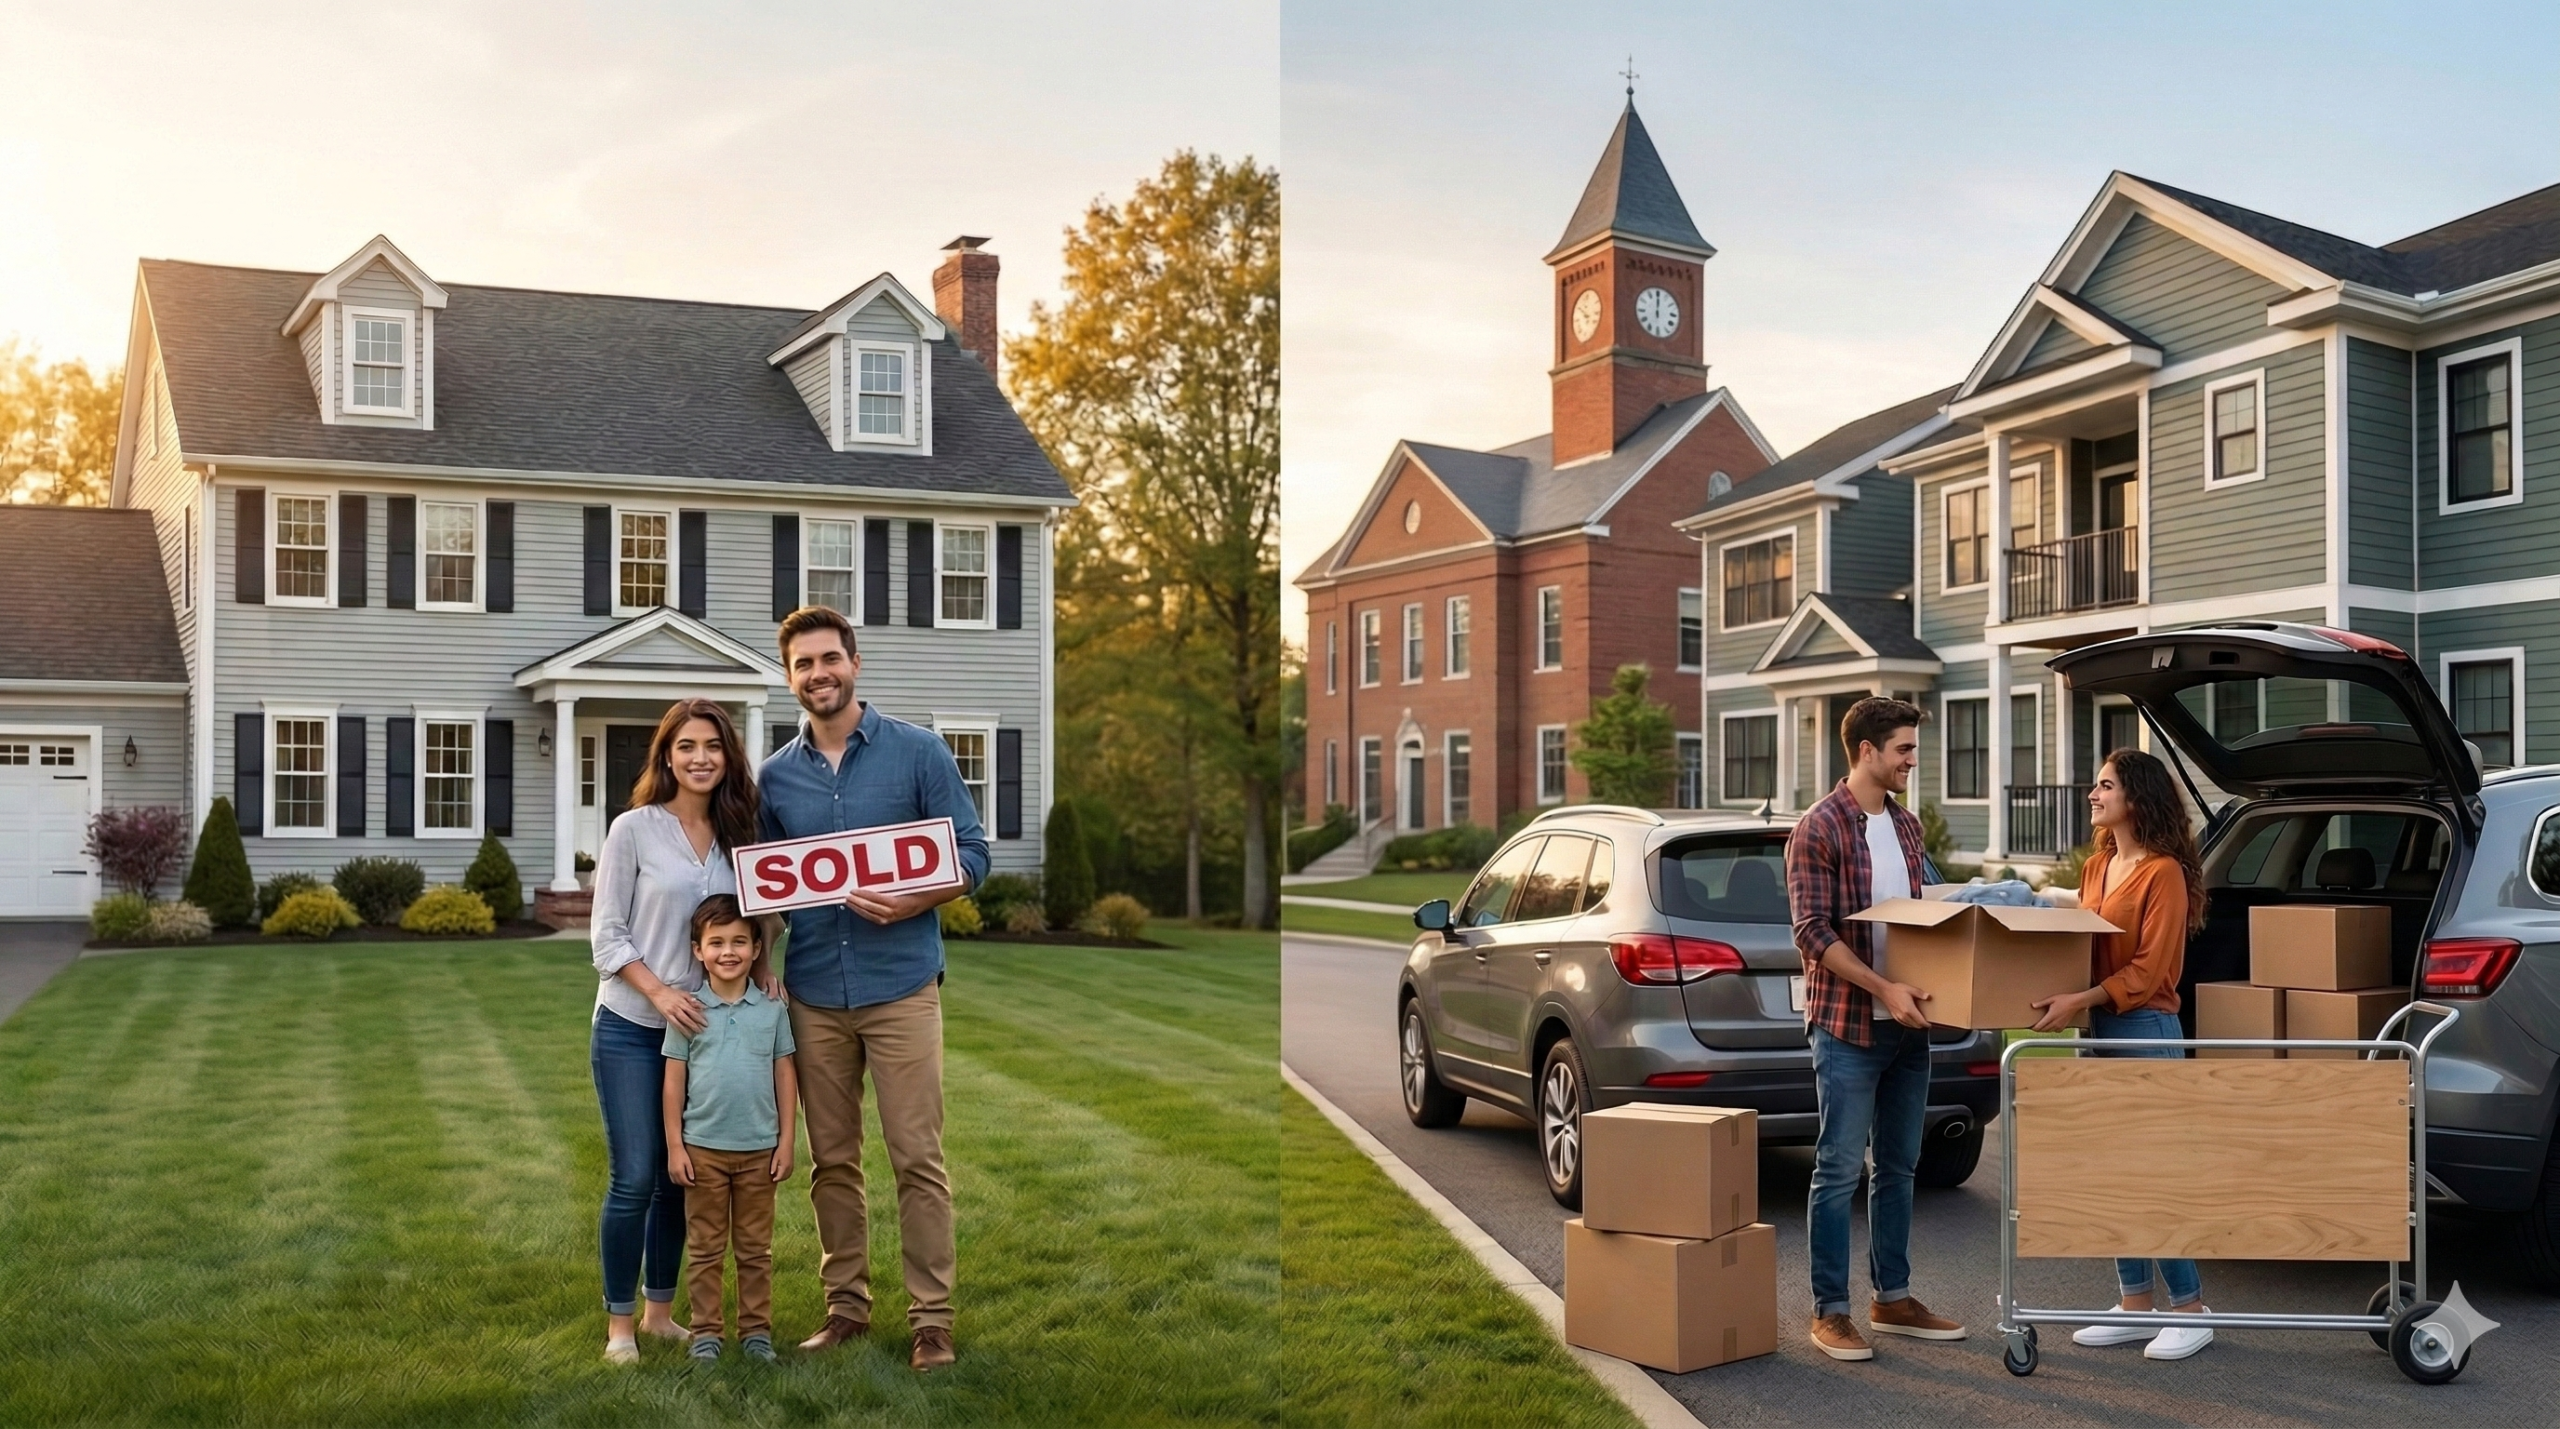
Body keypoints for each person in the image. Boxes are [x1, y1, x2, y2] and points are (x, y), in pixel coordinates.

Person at [760, 605, 988, 1373]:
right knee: (833, 1161)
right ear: (788, 676)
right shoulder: (774, 776)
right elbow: (766, 886)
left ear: (854, 661)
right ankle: (846, 1309)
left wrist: (917, 898)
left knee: (917, 1156)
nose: (818, 674)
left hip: (900, 987)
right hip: (815, 990)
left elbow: (973, 853)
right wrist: (756, 956)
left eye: (830, 658)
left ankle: (932, 1319)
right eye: (803, 664)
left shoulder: (919, 752)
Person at [587, 698, 770, 1366]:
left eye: (713, 746)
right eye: (687, 745)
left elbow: (754, 917)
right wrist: (660, 991)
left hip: (703, 1038)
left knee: (675, 1176)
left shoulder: (736, 834)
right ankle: (621, 1326)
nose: (701, 757)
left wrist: (766, 971)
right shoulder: (633, 829)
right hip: (633, 1026)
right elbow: (607, 932)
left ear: (728, 757)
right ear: (667, 755)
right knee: (634, 1175)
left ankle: (663, 1313)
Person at [1784, 696, 1968, 1362]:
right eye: (1904, 750)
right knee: (1836, 1168)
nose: (1913, 761)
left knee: (1899, 1166)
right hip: (1847, 1024)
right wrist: (1883, 985)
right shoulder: (1820, 827)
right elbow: (1812, 932)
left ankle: (1892, 1296)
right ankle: (1829, 1310)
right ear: (1867, 751)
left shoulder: (1908, 827)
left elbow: (1925, 915)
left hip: (1909, 1028)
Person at [2030, 747, 2214, 1360]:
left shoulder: (2163, 873)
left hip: (2145, 1028)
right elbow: (2083, 944)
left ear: (2135, 798)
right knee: (2113, 1170)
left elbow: (2148, 968)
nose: (2092, 794)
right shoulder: (2097, 865)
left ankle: (2192, 1310)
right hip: (2099, 1029)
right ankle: (2135, 1303)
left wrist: (2080, 996)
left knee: (2153, 1173)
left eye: (2104, 785)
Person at [663, 895, 800, 1364]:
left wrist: (786, 1140)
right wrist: (675, 1146)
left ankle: (756, 1332)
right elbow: (673, 1082)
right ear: (698, 950)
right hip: (702, 1151)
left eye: (740, 941)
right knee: (704, 1248)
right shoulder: (687, 1011)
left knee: (755, 1249)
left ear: (757, 948)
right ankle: (706, 1333)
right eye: (716, 942)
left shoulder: (773, 1010)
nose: (728, 951)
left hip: (760, 1151)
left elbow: (785, 1074)